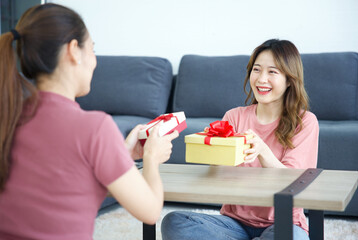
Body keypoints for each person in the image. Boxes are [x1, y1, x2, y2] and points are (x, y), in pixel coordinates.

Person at [0, 3, 178, 239]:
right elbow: (150, 211)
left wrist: (121, 152)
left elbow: (69, 179)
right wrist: (151, 159)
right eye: (92, 50)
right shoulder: (94, 128)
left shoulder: (8, 117)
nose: (95, 61)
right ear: (73, 50)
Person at [161, 39, 319, 240]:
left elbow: (294, 183)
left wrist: (263, 151)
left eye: (272, 72)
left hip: (283, 224)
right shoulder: (234, 117)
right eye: (256, 70)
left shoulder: (304, 121)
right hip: (233, 223)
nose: (262, 79)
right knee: (174, 223)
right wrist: (213, 151)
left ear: (289, 80)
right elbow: (217, 176)